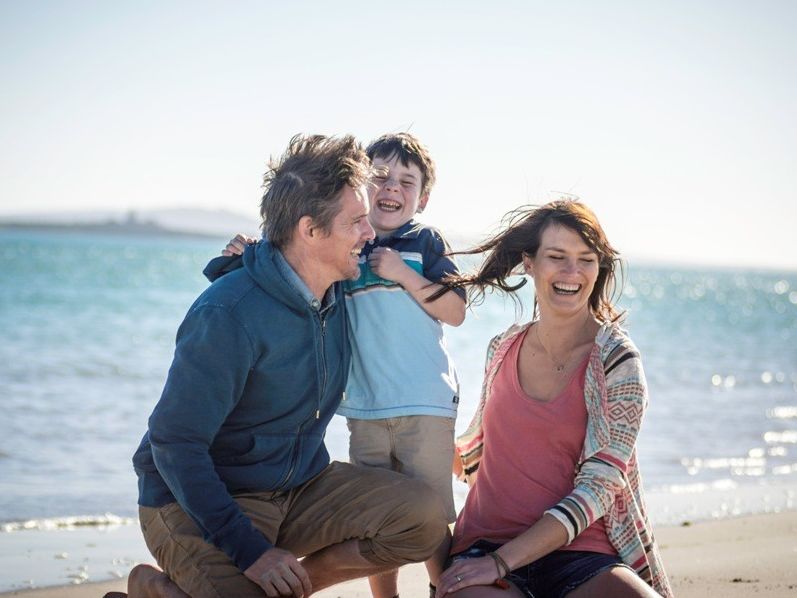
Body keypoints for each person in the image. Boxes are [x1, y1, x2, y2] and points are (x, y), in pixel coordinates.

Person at [127, 134, 448, 598]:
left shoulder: (339, 289)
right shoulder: (228, 314)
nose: (369, 232)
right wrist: (251, 554)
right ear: (310, 231)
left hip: (298, 487)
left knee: (422, 518)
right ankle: (153, 588)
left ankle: (287, 589)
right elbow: (174, 442)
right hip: (200, 502)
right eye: (356, 221)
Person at [219, 132, 467, 598]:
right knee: (377, 516)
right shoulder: (347, 246)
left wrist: (403, 273)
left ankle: (445, 590)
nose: (391, 188)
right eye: (381, 177)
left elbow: (455, 311)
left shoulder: (425, 242)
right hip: (364, 407)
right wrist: (249, 252)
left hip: (424, 403)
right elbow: (295, 261)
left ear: (423, 198)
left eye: (407, 182)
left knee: (432, 513)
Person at [432, 200, 673, 597]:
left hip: (582, 553)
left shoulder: (617, 361)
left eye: (586, 260)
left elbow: (599, 487)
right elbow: (480, 453)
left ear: (599, 268)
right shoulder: (502, 348)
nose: (571, 273)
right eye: (557, 257)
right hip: (485, 545)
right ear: (529, 263)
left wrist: (502, 562)